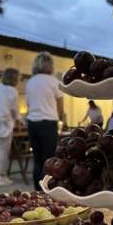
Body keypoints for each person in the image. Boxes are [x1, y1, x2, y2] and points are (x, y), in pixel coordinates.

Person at [26, 52, 64, 190]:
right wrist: (61, 119)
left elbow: (29, 104)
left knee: (37, 160)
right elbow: (60, 105)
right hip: (48, 123)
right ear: (50, 65)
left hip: (32, 123)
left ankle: (37, 190)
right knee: (49, 160)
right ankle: (48, 190)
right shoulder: (53, 81)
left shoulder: (30, 82)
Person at [0, 68, 20, 186]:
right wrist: (19, 120)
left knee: (1, 148)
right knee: (4, 151)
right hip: (4, 121)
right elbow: (15, 110)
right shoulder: (13, 91)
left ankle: (1, 174)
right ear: (14, 78)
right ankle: (1, 176)